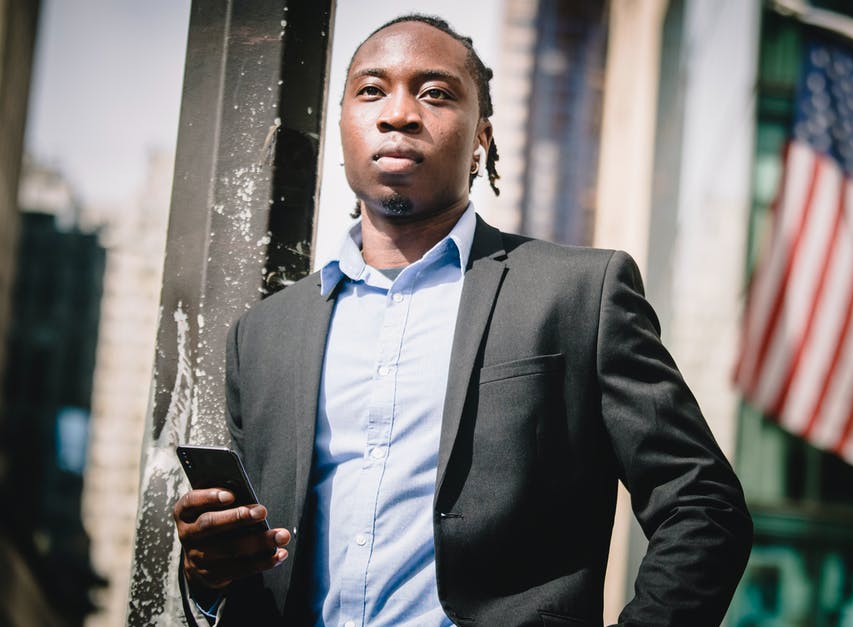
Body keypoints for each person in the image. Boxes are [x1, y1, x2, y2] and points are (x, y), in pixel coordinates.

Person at [172, 14, 751, 626]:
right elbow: (254, 570)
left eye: (436, 93)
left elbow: (703, 507)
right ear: (344, 124)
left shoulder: (579, 294)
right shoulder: (262, 334)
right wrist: (208, 577)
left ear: (482, 137)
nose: (399, 113)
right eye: (372, 91)